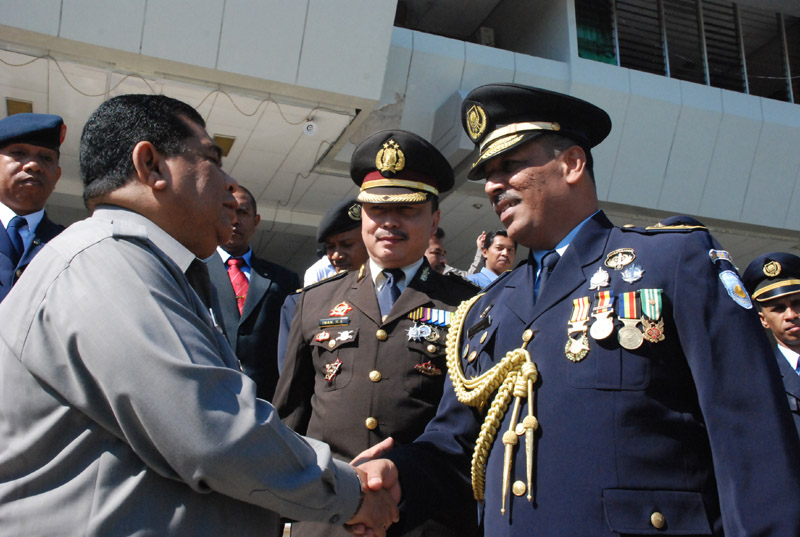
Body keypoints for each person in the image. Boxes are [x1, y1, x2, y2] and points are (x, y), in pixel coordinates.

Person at [357, 83, 800, 536]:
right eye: (488, 174)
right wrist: (399, 476)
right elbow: (456, 446)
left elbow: (749, 433)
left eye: (510, 165)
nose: (492, 185)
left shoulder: (672, 262)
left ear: (572, 164)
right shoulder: (484, 310)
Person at [0, 94, 398, 537]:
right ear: (151, 166)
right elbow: (214, 431)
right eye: (212, 160)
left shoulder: (140, 264)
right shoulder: (106, 263)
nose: (230, 186)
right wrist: (352, 492)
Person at [273, 129, 480, 537]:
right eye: (376, 209)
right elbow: (290, 419)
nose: (388, 222)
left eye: (407, 210)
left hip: (423, 519)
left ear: (435, 219)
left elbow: (472, 433)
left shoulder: (470, 306)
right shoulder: (314, 302)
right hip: (328, 520)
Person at [207, 184, 300, 401]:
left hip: (267, 398)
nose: (235, 220)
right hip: (211, 392)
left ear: (256, 221)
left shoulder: (284, 279)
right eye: (228, 210)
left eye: (242, 212)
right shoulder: (195, 270)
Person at [278, 195, 368, 372]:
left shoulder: (390, 295)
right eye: (330, 247)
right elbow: (292, 374)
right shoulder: (302, 303)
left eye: (347, 245)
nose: (336, 255)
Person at [0, 112, 65, 301]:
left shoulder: (69, 243)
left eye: (46, 158)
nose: (34, 165)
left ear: (57, 176)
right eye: (18, 153)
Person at [743, 252, 800, 437]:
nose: (791, 315)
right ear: (763, 320)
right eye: (778, 308)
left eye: (797, 303)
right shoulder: (760, 377)